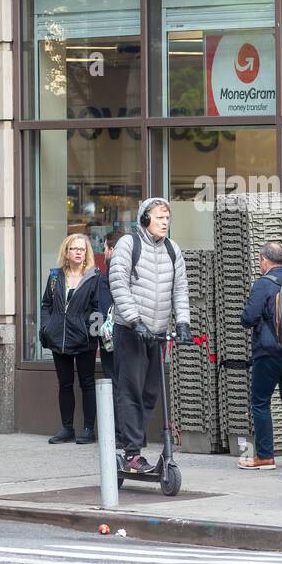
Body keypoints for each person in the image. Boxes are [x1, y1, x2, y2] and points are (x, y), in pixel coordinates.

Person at [109, 198, 193, 473]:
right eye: (160, 218)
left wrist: (182, 323)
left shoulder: (172, 249)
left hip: (157, 333)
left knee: (150, 393)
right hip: (131, 331)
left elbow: (180, 289)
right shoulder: (128, 245)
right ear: (144, 219)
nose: (165, 223)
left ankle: (134, 445)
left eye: (167, 218)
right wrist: (135, 321)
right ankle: (131, 452)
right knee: (130, 391)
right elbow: (119, 283)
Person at [238, 242, 282, 471]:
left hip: (268, 351)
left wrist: (245, 315)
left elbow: (249, 317)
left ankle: (265, 456)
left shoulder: (263, 284)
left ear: (264, 259)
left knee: (260, 401)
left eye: (260, 259)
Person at [39, 233, 100, 445]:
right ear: (66, 252)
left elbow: (98, 309)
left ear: (87, 254)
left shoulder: (93, 277)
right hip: (59, 338)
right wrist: (47, 327)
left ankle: (88, 429)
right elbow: (46, 303)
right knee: (64, 384)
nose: (78, 253)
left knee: (87, 383)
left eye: (82, 249)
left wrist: (91, 334)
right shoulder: (55, 277)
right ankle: (67, 428)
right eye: (74, 249)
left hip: (84, 339)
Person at [97, 230, 122, 380]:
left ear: (112, 250)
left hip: (111, 340)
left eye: (105, 248)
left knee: (113, 380)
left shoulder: (106, 278)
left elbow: (103, 310)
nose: (104, 253)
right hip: (131, 339)